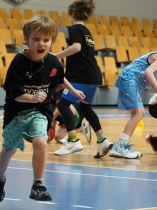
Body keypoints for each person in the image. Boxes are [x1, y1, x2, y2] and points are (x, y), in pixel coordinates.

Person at [0, 15, 85, 203]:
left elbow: (59, 79)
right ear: (27, 40)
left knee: (41, 142)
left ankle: (38, 185)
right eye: (36, 39)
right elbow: (14, 93)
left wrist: (73, 90)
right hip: (16, 111)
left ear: (52, 41)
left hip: (40, 110)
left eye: (46, 40)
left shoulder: (54, 62)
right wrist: (31, 97)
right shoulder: (18, 62)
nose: (41, 44)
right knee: (8, 149)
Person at [53, 0, 113, 158]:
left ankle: (73, 140)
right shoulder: (87, 31)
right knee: (86, 108)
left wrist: (56, 56)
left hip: (81, 75)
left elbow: (77, 48)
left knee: (64, 105)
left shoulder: (74, 28)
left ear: (71, 14)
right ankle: (102, 140)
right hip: (93, 75)